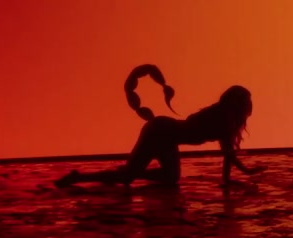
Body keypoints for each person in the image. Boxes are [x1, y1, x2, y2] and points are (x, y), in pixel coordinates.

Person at [54, 64, 263, 190]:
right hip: (162, 131)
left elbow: (227, 154)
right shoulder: (223, 118)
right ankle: (80, 177)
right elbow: (228, 154)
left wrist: (229, 179)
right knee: (134, 176)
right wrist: (244, 173)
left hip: (167, 134)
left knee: (167, 178)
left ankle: (97, 175)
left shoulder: (223, 117)